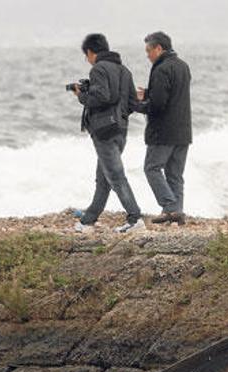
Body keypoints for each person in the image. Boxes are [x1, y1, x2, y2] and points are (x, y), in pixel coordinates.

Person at [72, 33, 145, 234]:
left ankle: (135, 218)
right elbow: (133, 104)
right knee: (103, 178)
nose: (87, 60)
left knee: (115, 176)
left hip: (104, 132)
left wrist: (82, 95)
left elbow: (101, 96)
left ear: (90, 52)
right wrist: (118, 116)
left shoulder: (98, 69)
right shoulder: (124, 71)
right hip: (121, 130)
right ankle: (88, 221)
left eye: (86, 56)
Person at [135, 31, 192, 225]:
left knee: (151, 168)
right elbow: (173, 94)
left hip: (163, 132)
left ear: (159, 48)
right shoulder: (183, 66)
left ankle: (170, 207)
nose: (148, 55)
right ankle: (176, 215)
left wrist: (134, 105)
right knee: (175, 175)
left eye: (149, 51)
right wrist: (150, 93)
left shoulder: (161, 69)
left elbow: (157, 106)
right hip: (183, 131)